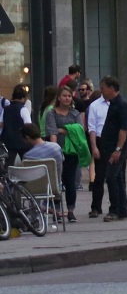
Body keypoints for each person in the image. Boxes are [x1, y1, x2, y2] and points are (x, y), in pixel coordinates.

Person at [46, 84, 86, 222]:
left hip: (72, 151)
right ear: (58, 98)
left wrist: (62, 129)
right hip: (56, 151)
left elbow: (79, 129)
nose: (67, 98)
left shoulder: (75, 113)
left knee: (70, 182)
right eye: (64, 96)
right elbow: (52, 131)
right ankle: (56, 211)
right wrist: (55, 150)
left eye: (69, 96)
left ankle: (70, 210)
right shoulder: (51, 113)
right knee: (56, 183)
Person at [94, 76, 127, 222]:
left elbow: (123, 130)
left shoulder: (122, 105)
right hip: (109, 147)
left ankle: (115, 210)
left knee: (111, 177)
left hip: (116, 148)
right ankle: (122, 210)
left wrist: (118, 149)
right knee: (118, 178)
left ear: (111, 88)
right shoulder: (113, 104)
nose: (101, 91)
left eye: (103, 88)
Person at [1, 84, 32, 157]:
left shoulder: (5, 109)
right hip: (22, 143)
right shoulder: (23, 109)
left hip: (8, 142)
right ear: (23, 98)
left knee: (9, 163)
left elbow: (1, 124)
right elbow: (28, 125)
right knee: (25, 163)